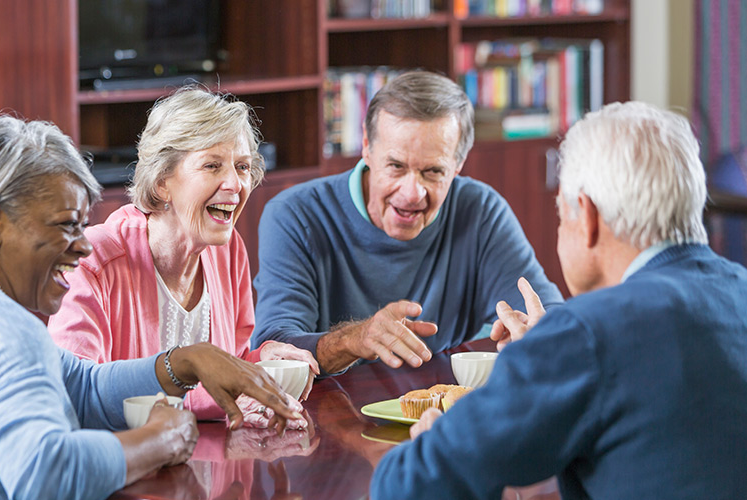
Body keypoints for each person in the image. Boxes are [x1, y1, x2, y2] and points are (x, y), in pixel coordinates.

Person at [0, 116, 302, 499]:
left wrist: (183, 362)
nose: (84, 245)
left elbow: (83, 388)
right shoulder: (1, 327)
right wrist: (158, 441)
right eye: (66, 225)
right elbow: (47, 475)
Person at [371, 102, 747, 499]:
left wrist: (434, 440)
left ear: (585, 216)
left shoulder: (585, 332)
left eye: (560, 214)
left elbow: (408, 486)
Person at [251, 71, 563, 374]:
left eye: (433, 172)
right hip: (328, 417)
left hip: (444, 415)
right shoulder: (295, 214)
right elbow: (275, 346)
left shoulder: (480, 209)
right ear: (367, 148)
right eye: (396, 166)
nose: (412, 193)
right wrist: (356, 339)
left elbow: (551, 316)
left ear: (458, 165)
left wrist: (532, 332)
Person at [48, 87, 318, 423]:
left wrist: (259, 362)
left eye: (243, 167)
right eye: (212, 165)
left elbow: (227, 359)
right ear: (162, 181)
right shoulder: (92, 261)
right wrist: (228, 394)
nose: (235, 184)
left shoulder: (228, 249)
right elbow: (78, 399)